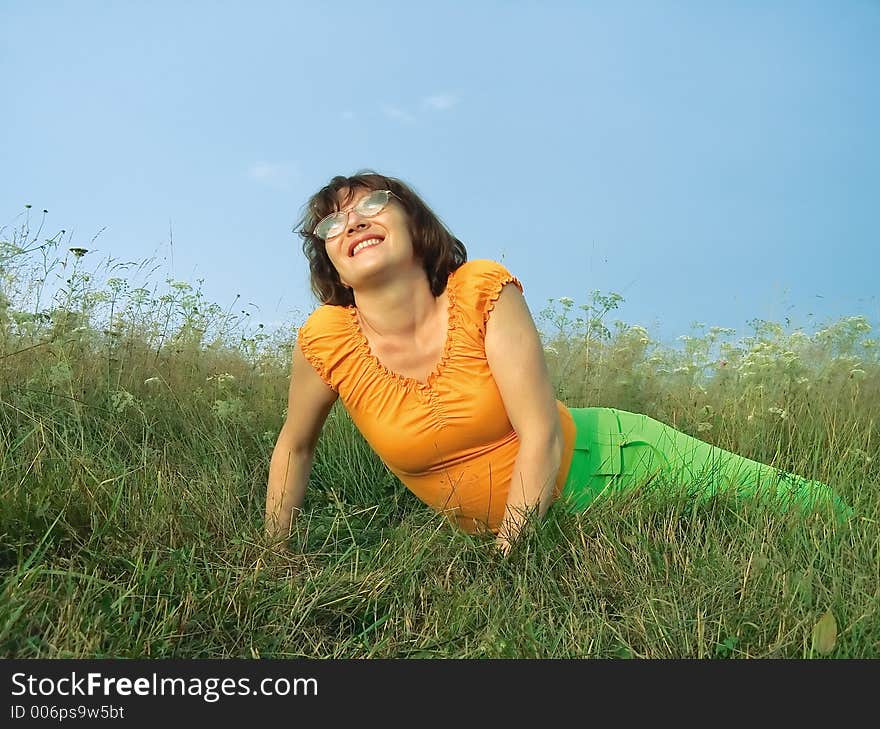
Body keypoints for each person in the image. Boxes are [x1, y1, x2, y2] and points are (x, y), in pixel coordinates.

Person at [265, 171, 851, 556]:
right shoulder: (327, 341)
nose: (355, 221)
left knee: (810, 508)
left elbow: (539, 430)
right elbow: (295, 446)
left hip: (616, 459)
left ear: (416, 227)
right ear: (332, 265)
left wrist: (508, 560)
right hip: (538, 523)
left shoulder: (481, 289)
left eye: (372, 204)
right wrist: (274, 554)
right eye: (333, 222)